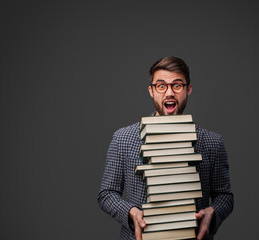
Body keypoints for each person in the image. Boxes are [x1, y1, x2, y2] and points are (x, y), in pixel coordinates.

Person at [98, 56, 234, 240]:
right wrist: (131, 212)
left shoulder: (212, 142)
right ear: (151, 91)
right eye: (161, 86)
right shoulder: (123, 138)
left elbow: (224, 196)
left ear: (188, 90)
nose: (169, 93)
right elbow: (107, 194)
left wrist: (212, 212)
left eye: (177, 85)